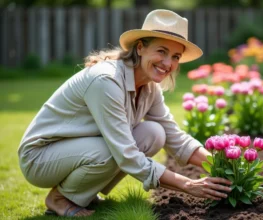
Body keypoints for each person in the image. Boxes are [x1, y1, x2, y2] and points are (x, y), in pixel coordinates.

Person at [18, 9, 232, 217]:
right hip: (40, 156)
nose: (168, 63)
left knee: (154, 133)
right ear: (140, 48)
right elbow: (126, 153)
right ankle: (60, 199)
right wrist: (189, 185)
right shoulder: (107, 81)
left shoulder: (150, 87)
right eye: (161, 51)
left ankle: (83, 193)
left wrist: (223, 164)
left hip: (76, 150)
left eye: (175, 56)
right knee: (114, 150)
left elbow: (174, 137)